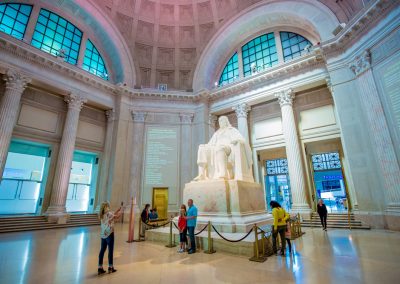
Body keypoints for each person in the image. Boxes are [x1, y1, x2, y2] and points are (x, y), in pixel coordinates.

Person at [193, 116, 254, 182]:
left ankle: (223, 173)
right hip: (216, 148)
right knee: (202, 148)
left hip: (229, 148)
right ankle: (202, 174)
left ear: (226, 121)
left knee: (220, 148)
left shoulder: (231, 130)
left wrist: (237, 141)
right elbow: (210, 143)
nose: (220, 122)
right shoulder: (217, 133)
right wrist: (205, 146)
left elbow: (242, 140)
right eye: (219, 121)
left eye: (222, 120)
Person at [98, 202, 122, 275]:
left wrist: (117, 210)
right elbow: (116, 217)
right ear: (107, 206)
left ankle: (100, 267)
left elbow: (111, 216)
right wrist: (121, 211)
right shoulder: (109, 213)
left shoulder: (101, 214)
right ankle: (110, 267)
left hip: (103, 234)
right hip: (109, 233)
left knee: (102, 250)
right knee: (110, 250)